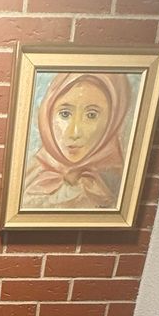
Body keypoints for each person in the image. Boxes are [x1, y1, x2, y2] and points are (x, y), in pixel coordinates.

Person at [22, 71, 131, 211]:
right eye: (65, 114)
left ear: (114, 121)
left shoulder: (119, 185)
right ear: (47, 115)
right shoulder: (27, 175)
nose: (74, 133)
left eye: (91, 115)